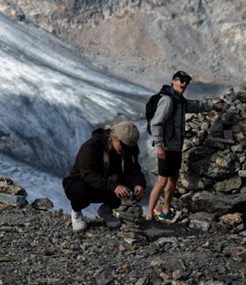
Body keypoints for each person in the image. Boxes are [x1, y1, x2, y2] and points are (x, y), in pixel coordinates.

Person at [146, 70, 225, 222]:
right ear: (173, 81)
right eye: (181, 80)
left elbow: (196, 105)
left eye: (186, 81)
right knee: (162, 181)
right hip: (166, 147)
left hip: (175, 147)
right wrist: (159, 145)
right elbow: (156, 123)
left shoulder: (180, 101)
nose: (184, 83)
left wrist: (213, 106)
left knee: (174, 177)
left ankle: (165, 211)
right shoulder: (167, 101)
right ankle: (149, 216)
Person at [62, 121, 146, 232]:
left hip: (107, 184)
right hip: (84, 183)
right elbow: (88, 174)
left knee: (131, 192)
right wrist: (114, 187)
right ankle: (76, 211)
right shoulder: (92, 145)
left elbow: (134, 170)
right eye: (123, 146)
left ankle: (106, 210)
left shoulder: (126, 151)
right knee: (81, 192)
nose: (125, 150)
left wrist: (139, 184)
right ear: (114, 138)